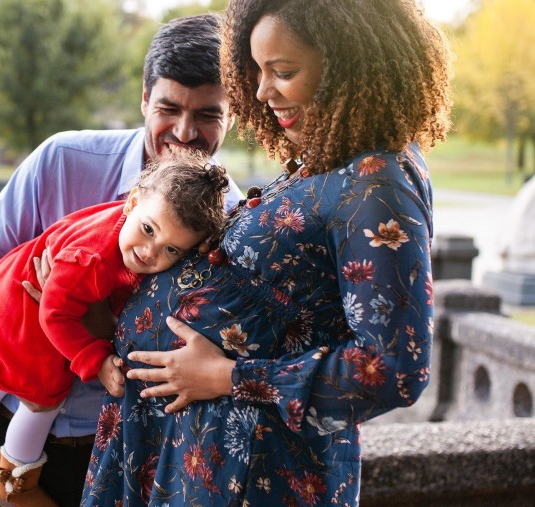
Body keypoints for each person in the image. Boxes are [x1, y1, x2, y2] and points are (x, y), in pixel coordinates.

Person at [82, 0, 452, 505]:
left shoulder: (379, 182)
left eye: (282, 72)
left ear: (347, 65)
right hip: (190, 449)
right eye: (256, 71)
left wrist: (228, 377)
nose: (261, 91)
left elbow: (391, 370)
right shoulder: (329, 159)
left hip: (251, 470)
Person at [0, 13, 243, 507]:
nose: (185, 133)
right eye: (168, 108)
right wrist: (14, 368)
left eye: (208, 115)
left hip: (133, 449)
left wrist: (99, 324)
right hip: (13, 424)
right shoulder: (62, 160)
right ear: (144, 99)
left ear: (234, 117)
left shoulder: (230, 219)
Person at [0, 154, 230, 506]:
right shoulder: (92, 260)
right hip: (29, 310)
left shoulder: (132, 215)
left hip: (12, 296)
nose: (149, 252)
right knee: (44, 395)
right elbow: (56, 316)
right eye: (148, 230)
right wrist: (97, 360)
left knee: (1, 373)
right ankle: (12, 484)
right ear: (132, 201)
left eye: (171, 250)